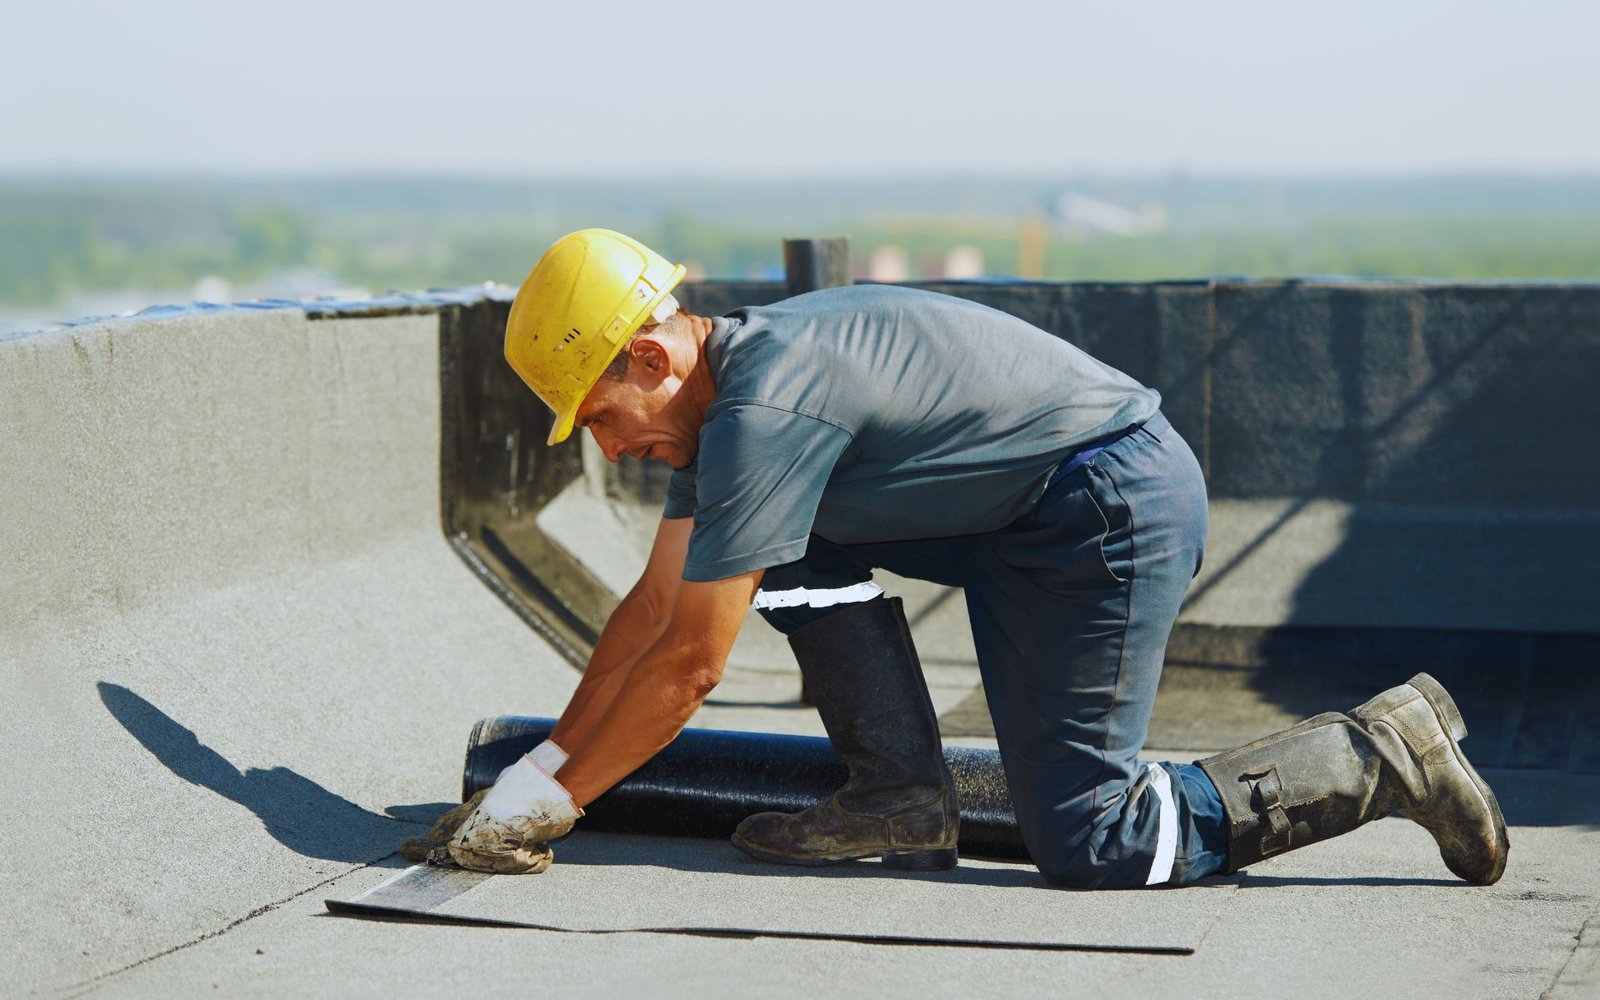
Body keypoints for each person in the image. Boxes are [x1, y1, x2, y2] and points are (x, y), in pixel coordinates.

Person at [441, 228, 1508, 889]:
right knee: (774, 542)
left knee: (1094, 839)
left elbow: (688, 668)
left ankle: (1375, 757)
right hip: (1024, 518)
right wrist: (535, 773)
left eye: (600, 414)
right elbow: (651, 614)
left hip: (1102, 511)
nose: (608, 445)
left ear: (649, 354)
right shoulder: (724, 415)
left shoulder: (763, 406)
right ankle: (898, 798)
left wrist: (548, 807)